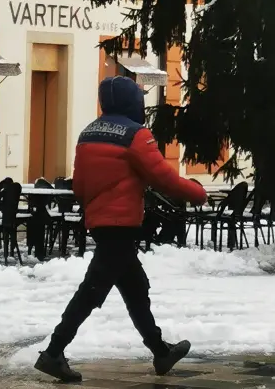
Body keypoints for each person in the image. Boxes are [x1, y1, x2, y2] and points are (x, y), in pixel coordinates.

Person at [35, 75, 208, 385]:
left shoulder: (88, 133)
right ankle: (53, 351)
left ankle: (160, 351)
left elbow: (81, 185)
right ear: (133, 102)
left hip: (102, 223)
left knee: (136, 287)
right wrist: (196, 192)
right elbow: (163, 177)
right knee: (91, 292)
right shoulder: (136, 135)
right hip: (121, 225)